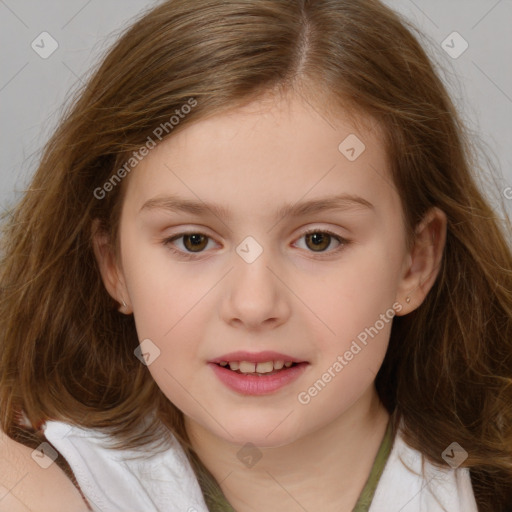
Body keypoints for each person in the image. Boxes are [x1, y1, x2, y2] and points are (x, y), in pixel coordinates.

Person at [1, 0, 511, 511]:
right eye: (193, 241)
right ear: (114, 267)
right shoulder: (32, 485)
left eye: (318, 240)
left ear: (414, 263)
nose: (253, 304)